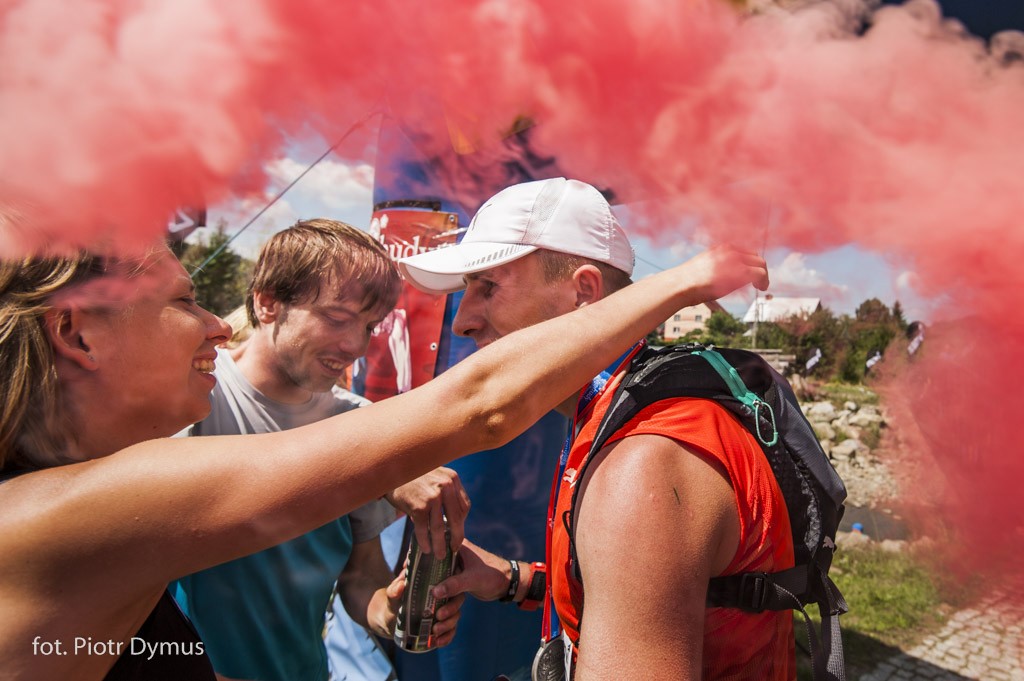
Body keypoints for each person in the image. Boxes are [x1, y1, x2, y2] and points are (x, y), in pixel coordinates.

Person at [0, 211, 765, 681]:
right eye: (183, 300)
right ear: (77, 334)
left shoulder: (64, 491)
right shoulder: (78, 507)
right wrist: (687, 280)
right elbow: (478, 404)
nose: (216, 323)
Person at [398, 177, 793, 680]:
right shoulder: (621, 407)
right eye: (465, 290)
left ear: (584, 292)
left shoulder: (642, 460)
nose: (462, 321)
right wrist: (514, 580)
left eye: (488, 287)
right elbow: (653, 599)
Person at [170, 219, 470, 681]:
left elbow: (359, 574)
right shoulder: (193, 397)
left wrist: (385, 612)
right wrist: (373, 466)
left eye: (369, 327)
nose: (354, 346)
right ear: (268, 303)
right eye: (335, 318)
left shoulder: (361, 423)